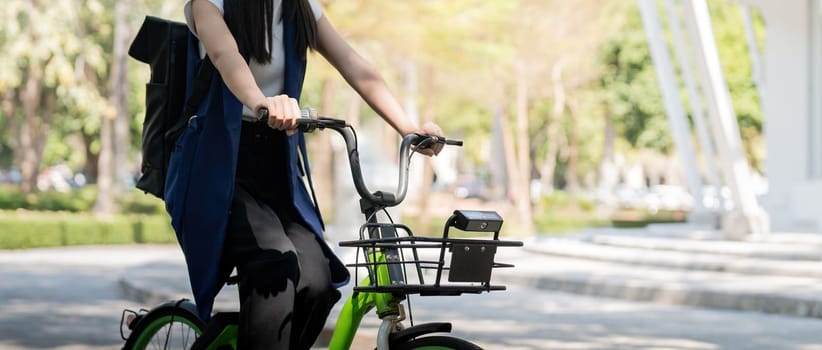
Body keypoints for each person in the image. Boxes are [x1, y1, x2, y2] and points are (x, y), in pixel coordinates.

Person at [176, 0, 445, 349]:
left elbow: (354, 65)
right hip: (221, 168)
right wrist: (262, 102)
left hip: (277, 168)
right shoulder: (211, 3)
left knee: (317, 281)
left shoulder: (299, 8)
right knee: (275, 262)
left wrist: (410, 130)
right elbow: (225, 55)